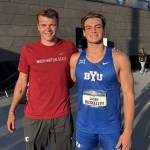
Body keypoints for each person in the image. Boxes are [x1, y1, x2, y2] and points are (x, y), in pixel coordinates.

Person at [7, 8, 77, 150]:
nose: (48, 29)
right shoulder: (28, 50)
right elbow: (21, 83)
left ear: (57, 25)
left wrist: (110, 53)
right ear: (38, 27)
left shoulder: (69, 47)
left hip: (62, 116)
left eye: (52, 25)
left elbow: (76, 73)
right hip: (35, 117)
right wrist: (12, 111)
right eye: (44, 25)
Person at [70, 12, 135, 150]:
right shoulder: (75, 59)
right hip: (84, 129)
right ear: (84, 32)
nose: (93, 30)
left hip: (111, 129)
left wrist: (128, 131)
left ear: (104, 30)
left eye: (97, 26)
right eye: (88, 27)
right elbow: (67, 82)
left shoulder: (119, 58)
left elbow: (129, 95)